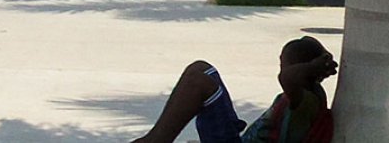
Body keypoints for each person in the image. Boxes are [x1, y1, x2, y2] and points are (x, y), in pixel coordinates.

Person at [132, 36, 338, 143]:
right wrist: (322, 60)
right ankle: (155, 139)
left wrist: (314, 67)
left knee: (199, 81)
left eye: (284, 63)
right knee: (200, 68)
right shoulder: (306, 92)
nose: (281, 68)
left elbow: (286, 78)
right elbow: (307, 46)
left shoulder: (306, 101)